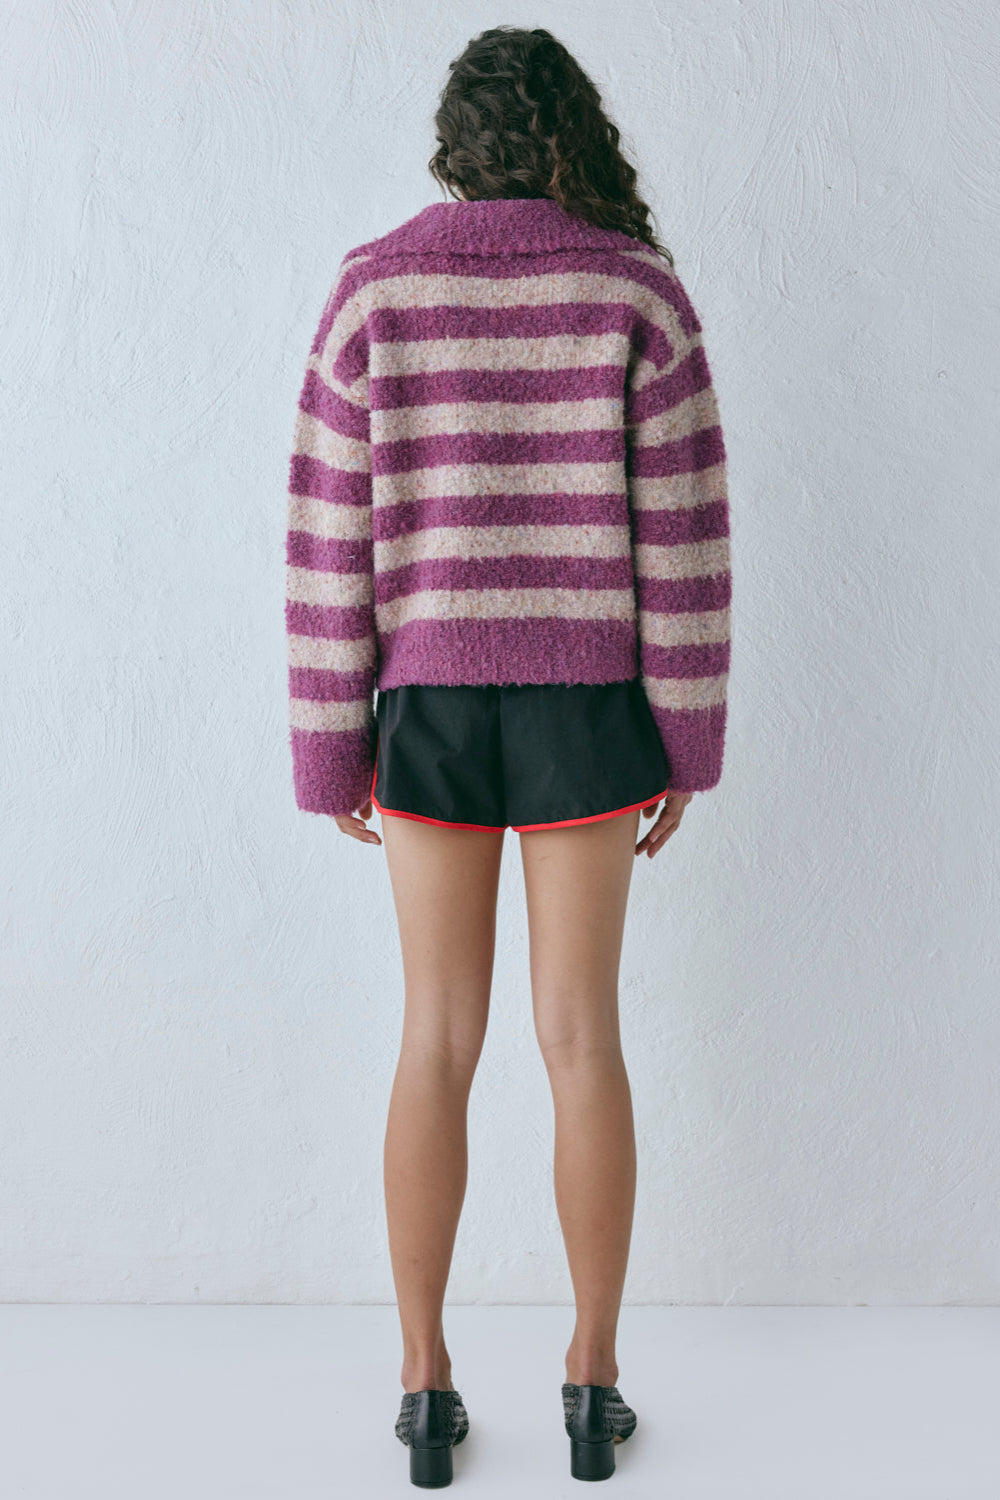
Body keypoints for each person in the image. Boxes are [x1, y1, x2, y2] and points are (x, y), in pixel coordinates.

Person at [285, 25, 731, 1486]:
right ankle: (593, 1384)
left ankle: (424, 1387)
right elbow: (686, 537)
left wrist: (330, 745)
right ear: (569, 133)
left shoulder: (374, 291)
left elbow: (327, 537)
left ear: (454, 145)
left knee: (435, 1037)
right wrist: (686, 739)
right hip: (588, 706)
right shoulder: (636, 291)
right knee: (581, 1037)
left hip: (425, 703)